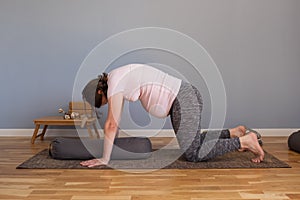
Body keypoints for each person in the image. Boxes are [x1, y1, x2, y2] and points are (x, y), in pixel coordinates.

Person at [80, 64, 264, 167]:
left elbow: (111, 124)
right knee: (194, 143)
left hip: (182, 99)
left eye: (101, 102)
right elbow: (115, 123)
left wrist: (105, 158)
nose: (106, 104)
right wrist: (112, 147)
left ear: (98, 92)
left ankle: (245, 141)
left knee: (194, 154)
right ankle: (234, 132)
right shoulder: (117, 77)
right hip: (182, 98)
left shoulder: (115, 83)